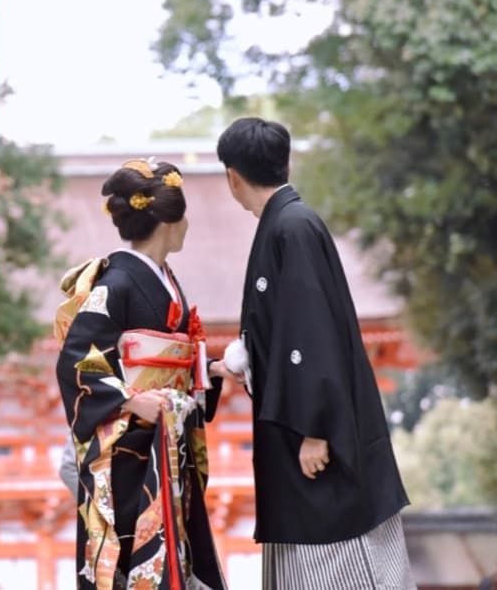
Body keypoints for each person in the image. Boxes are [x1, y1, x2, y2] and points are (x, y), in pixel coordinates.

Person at [213, 117, 415, 589]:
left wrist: (316, 429)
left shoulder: (292, 227)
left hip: (317, 438)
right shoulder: (285, 223)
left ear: (233, 177)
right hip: (296, 434)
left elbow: (312, 333)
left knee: (343, 562)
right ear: (286, 163)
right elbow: (283, 334)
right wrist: (240, 363)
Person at [55, 159, 236, 590]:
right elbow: (77, 357)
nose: (189, 224)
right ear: (168, 222)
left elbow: (171, 362)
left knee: (177, 553)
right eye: (184, 215)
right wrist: (127, 400)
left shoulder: (165, 279)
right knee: (134, 559)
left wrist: (209, 370)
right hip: (130, 449)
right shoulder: (115, 283)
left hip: (165, 444)